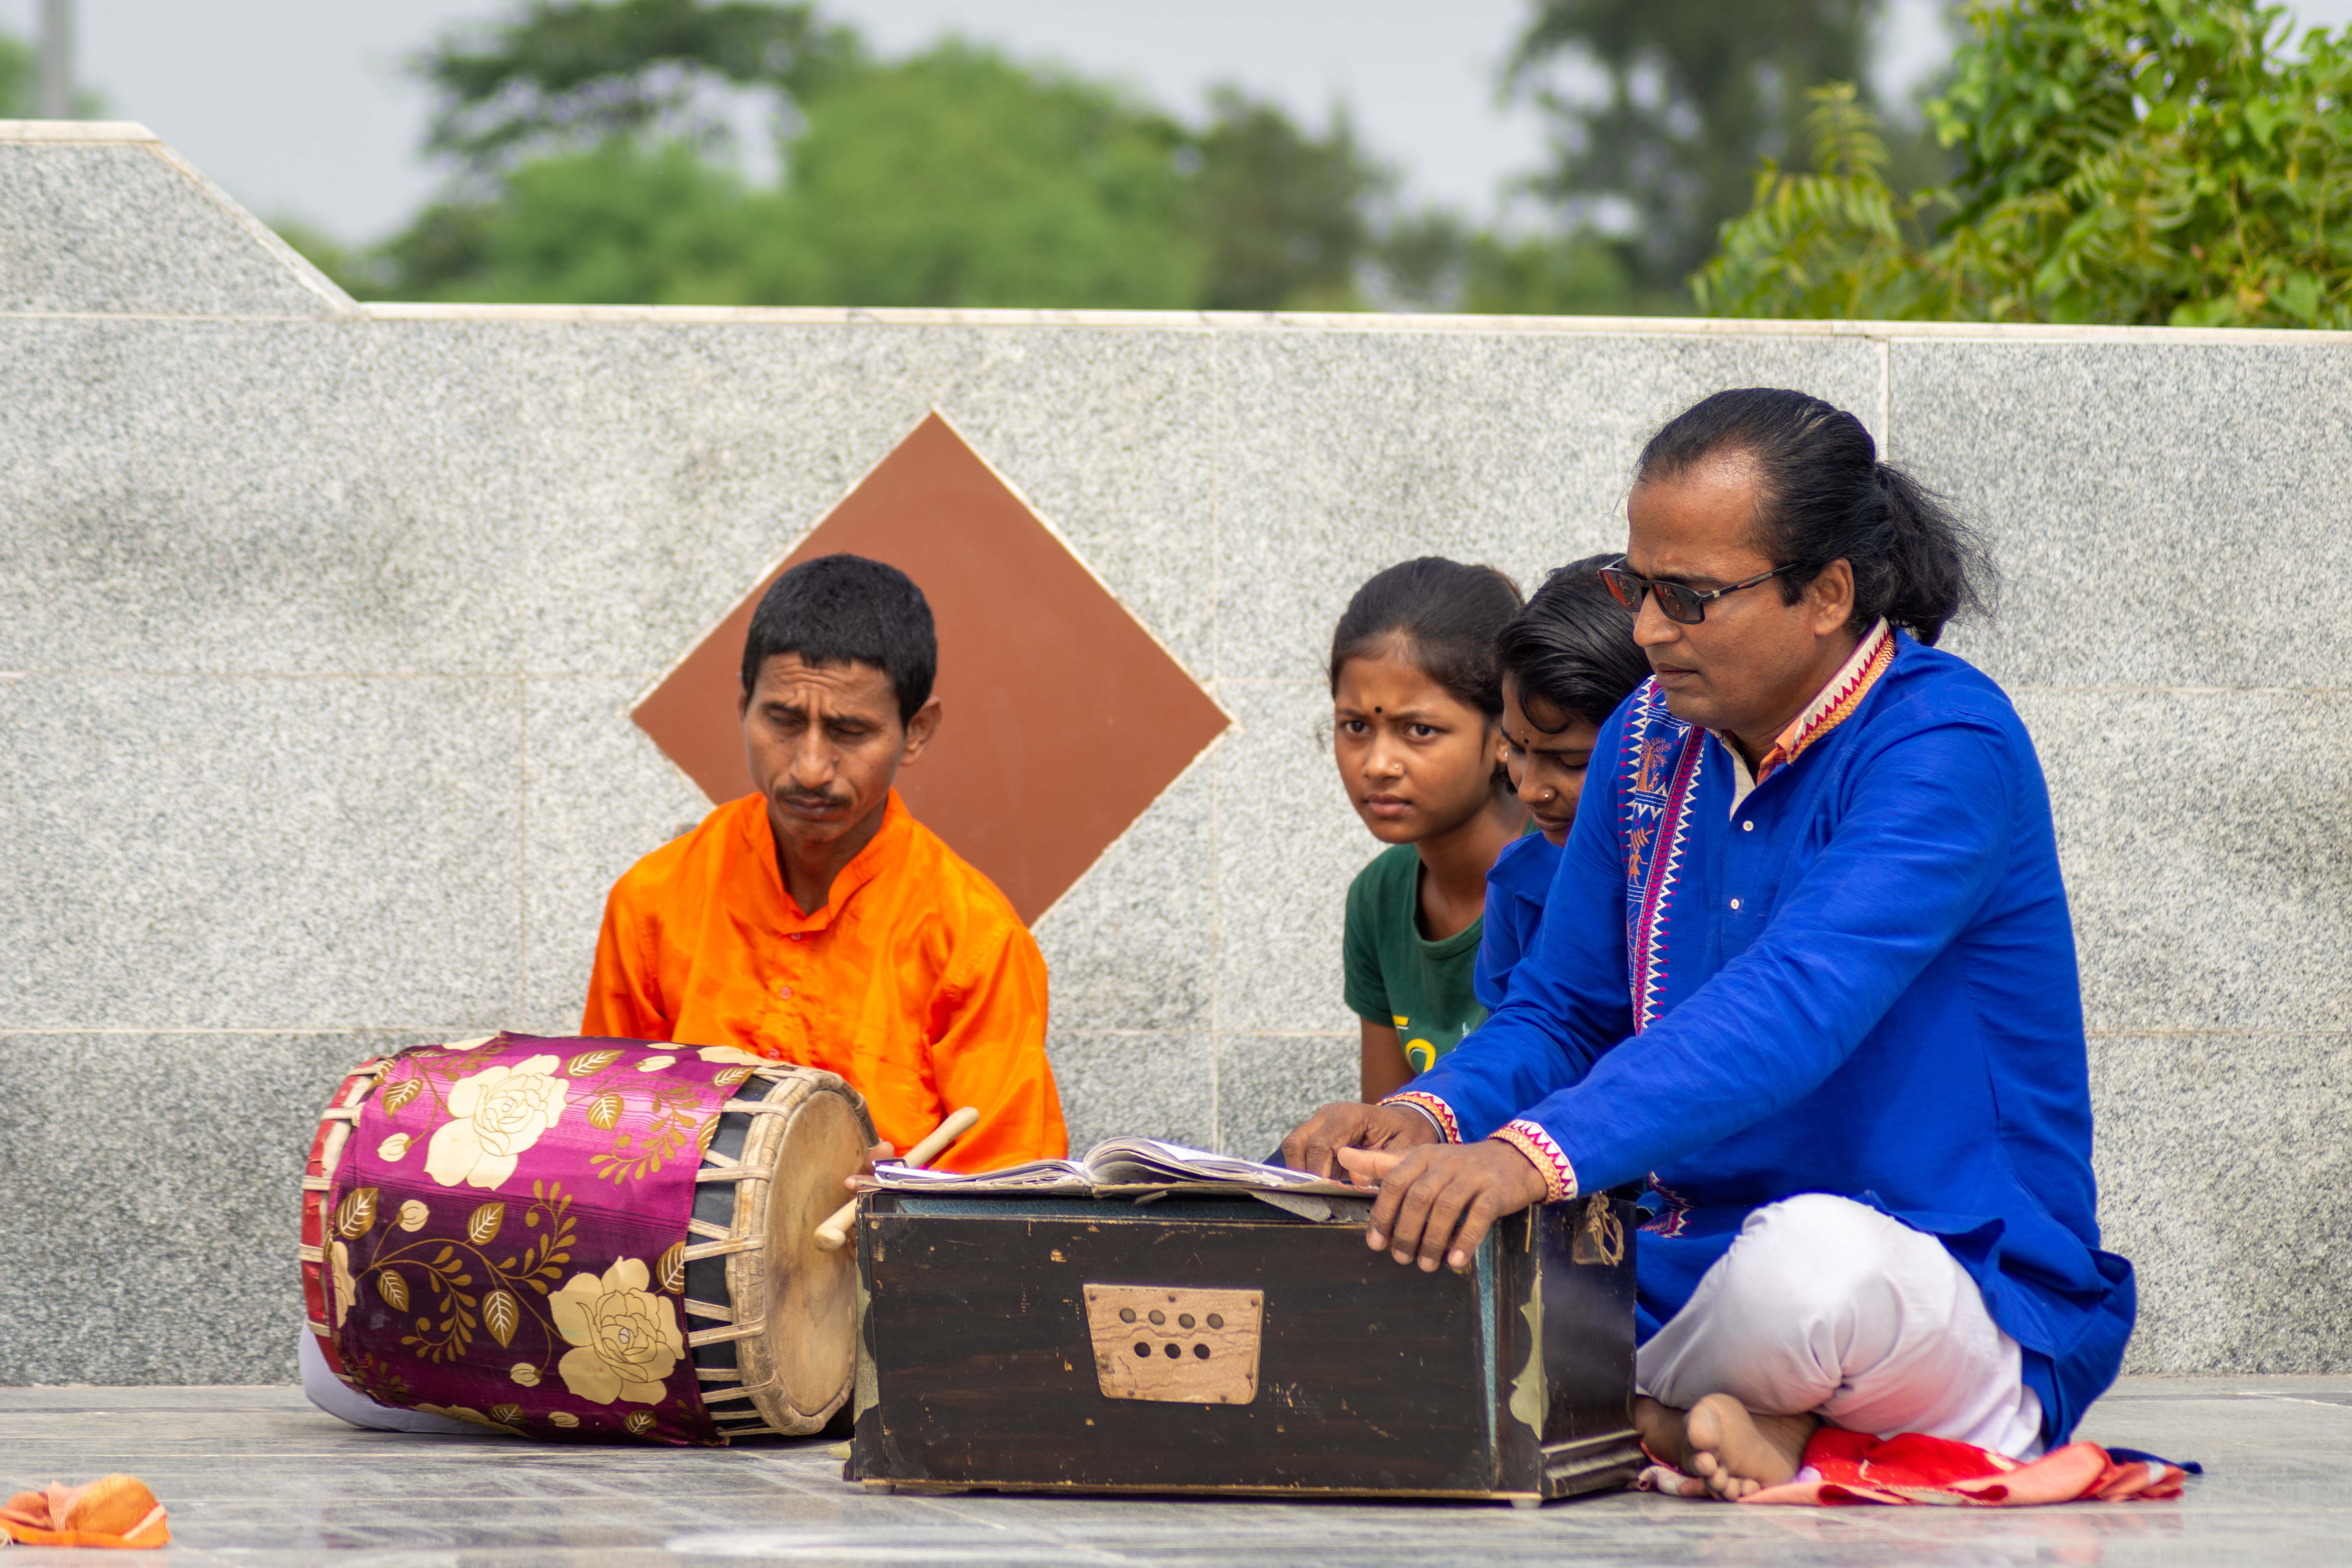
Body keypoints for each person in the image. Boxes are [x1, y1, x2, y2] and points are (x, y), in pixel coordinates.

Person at [1281, 389, 2133, 1500]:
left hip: (1938, 1272)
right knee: (1406, 1261)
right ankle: (1714, 1421)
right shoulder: (1645, 735)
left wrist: (1526, 1155)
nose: (1648, 630)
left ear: (1827, 594)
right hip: (1681, 1263)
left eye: (1689, 597)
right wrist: (1426, 1118)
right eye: (1639, 588)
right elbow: (1563, 1011)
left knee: (1813, 1274)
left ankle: (1632, 1409)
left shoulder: (1943, 742)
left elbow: (1793, 1005)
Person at [583, 553, 1066, 1173]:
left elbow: (1011, 1189)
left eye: (850, 732)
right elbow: (600, 1142)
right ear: (744, 708)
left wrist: (890, 1199)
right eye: (783, 721)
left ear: (917, 731)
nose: (810, 768)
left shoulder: (974, 941)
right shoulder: (654, 902)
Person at [1331, 559, 1526, 1101]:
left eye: (1419, 730)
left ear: (1505, 734)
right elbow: (1384, 1121)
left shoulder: (1560, 872)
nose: (1378, 764)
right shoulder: (1379, 896)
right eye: (1356, 726)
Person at [1477, 555, 1652, 1011]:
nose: (1530, 790)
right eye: (1517, 749)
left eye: (1572, 761)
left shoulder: (1707, 887)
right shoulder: (1518, 884)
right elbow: (1518, 1031)